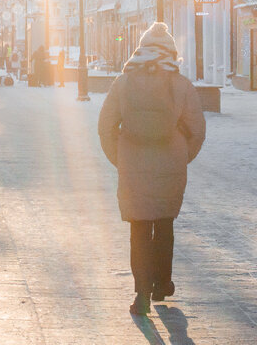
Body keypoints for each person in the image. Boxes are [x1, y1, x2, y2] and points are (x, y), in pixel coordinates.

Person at [97, 23, 206, 316]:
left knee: (140, 229)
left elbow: (105, 125)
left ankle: (142, 293)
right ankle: (162, 283)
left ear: (141, 50)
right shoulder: (181, 85)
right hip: (170, 167)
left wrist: (120, 158)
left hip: (133, 167)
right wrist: (181, 157)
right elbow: (197, 130)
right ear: (171, 52)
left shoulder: (123, 82)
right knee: (165, 225)